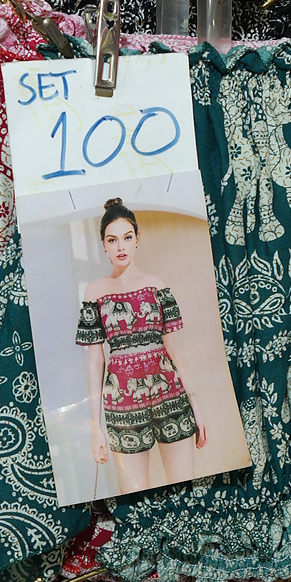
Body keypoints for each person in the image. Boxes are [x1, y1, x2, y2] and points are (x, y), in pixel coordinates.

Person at [76, 197, 207, 492]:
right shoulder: (95, 292)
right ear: (104, 244)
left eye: (127, 237)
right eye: (112, 240)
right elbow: (95, 361)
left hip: (170, 398)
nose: (120, 246)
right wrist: (96, 427)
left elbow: (173, 352)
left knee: (184, 491)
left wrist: (195, 405)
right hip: (122, 406)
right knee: (136, 500)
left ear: (137, 239)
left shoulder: (157, 286)